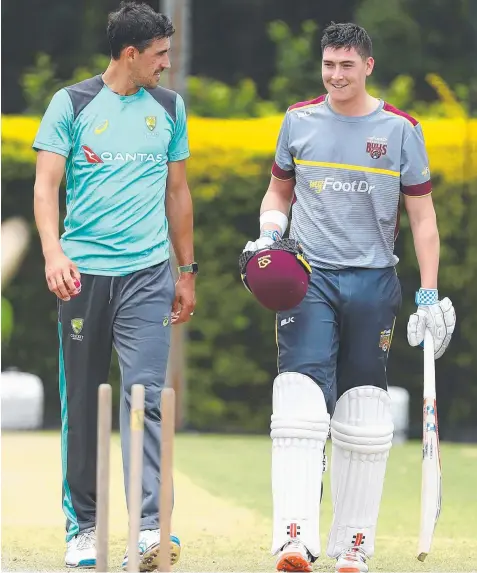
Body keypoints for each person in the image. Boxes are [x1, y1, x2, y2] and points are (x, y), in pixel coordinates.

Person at [243, 22, 456, 573]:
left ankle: (354, 543)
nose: (336, 75)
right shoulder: (299, 121)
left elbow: (422, 217)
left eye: (346, 65)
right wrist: (269, 233)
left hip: (372, 280)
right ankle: (294, 536)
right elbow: (279, 188)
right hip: (308, 276)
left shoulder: (402, 130)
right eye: (328, 65)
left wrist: (429, 292)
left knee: (364, 408)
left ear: (368, 66)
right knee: (297, 399)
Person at [32, 1, 198, 569]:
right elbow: (47, 185)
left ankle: (151, 529)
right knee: (82, 402)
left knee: (147, 398)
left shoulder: (170, 106)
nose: (166, 65)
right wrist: (53, 253)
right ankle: (85, 528)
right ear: (130, 54)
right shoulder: (71, 104)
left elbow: (178, 193)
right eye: (159, 55)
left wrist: (187, 270)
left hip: (150, 275)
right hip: (83, 276)